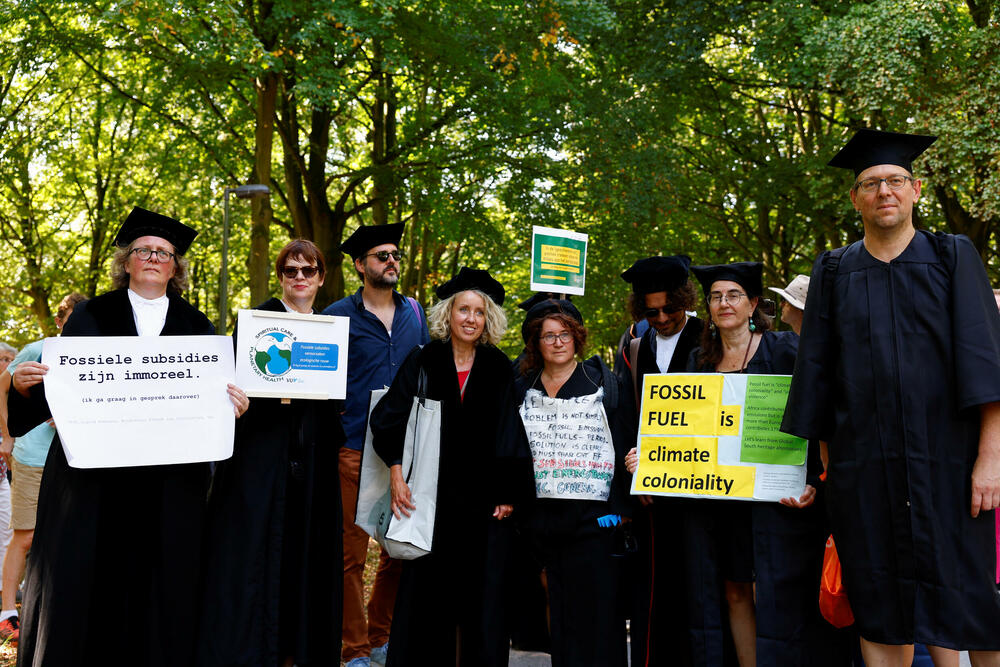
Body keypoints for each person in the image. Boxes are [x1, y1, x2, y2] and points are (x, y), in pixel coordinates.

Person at [781, 129, 1000, 667]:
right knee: (879, 606)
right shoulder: (834, 271)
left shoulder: (952, 256)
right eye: (871, 183)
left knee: (973, 605)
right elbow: (818, 380)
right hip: (865, 474)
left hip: (950, 468)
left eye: (896, 181)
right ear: (854, 198)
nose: (885, 191)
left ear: (916, 190)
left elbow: (985, 363)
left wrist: (990, 460)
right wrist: (830, 476)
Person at [5, 206, 249, 666]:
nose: (154, 258)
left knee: (162, 583)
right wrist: (22, 388)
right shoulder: (90, 316)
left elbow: (211, 404)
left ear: (175, 268)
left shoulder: (198, 329)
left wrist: (233, 407)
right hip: (94, 484)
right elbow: (58, 392)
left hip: (169, 484)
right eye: (144, 250)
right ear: (127, 262)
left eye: (163, 253)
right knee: (88, 581)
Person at [197, 239, 344, 667]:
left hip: (312, 462)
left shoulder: (330, 332)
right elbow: (230, 389)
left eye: (308, 270)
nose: (300, 277)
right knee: (254, 554)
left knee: (304, 554)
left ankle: (297, 651)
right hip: (258, 461)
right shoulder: (257, 323)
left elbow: (335, 401)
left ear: (321, 277)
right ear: (280, 276)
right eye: (291, 270)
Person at [369, 267, 517, 666]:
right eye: (463, 309)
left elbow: (509, 431)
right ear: (448, 313)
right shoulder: (425, 360)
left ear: (488, 319)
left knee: (481, 600)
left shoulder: (498, 366)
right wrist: (396, 473)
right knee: (426, 599)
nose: (471, 318)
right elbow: (388, 418)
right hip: (429, 500)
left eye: (479, 312)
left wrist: (506, 491)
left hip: (482, 505)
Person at [322, 223, 428, 667]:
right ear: (359, 265)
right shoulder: (336, 316)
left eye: (395, 255)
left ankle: (382, 637)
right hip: (352, 448)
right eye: (382, 256)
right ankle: (355, 648)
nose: (391, 261)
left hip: (404, 452)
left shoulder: (416, 313)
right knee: (349, 557)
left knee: (398, 550)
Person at [512, 298, 635, 666]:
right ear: (536, 343)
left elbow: (624, 443)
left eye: (565, 334)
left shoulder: (604, 385)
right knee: (559, 614)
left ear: (577, 337)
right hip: (539, 521)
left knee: (597, 611)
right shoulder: (522, 389)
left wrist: (620, 513)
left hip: (594, 521)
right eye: (548, 336)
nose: (558, 342)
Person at [615, 255, 705, 666]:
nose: (663, 318)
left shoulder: (710, 339)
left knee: (699, 588)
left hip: (704, 490)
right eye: (652, 312)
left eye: (671, 309)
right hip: (652, 493)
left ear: (685, 300)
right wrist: (634, 474)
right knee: (653, 591)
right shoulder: (635, 347)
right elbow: (626, 418)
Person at [0, 293, 85, 646]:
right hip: (33, 456)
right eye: (71, 319)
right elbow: (4, 386)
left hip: (75, 460)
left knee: (65, 537)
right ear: (59, 322)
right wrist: (8, 438)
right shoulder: (38, 349)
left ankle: (53, 612)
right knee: (26, 535)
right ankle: (7, 612)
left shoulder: (93, 354)